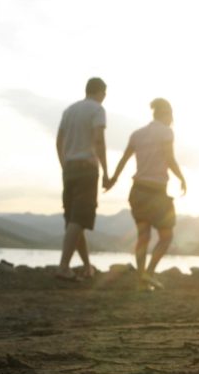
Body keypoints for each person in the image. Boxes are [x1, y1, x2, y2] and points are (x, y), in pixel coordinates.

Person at [106, 98, 186, 289]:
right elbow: (169, 158)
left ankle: (142, 280)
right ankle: (148, 274)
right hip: (157, 193)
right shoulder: (166, 132)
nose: (172, 119)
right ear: (166, 114)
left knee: (143, 236)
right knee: (166, 237)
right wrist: (181, 177)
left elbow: (124, 159)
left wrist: (113, 179)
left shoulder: (137, 134)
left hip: (138, 192)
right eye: (171, 115)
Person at [56, 77, 110, 281]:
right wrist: (106, 171)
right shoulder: (97, 109)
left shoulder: (69, 111)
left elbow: (59, 141)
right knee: (78, 220)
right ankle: (63, 267)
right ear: (101, 92)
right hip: (87, 168)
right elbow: (98, 140)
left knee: (73, 220)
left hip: (69, 168)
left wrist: (64, 165)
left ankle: (87, 267)